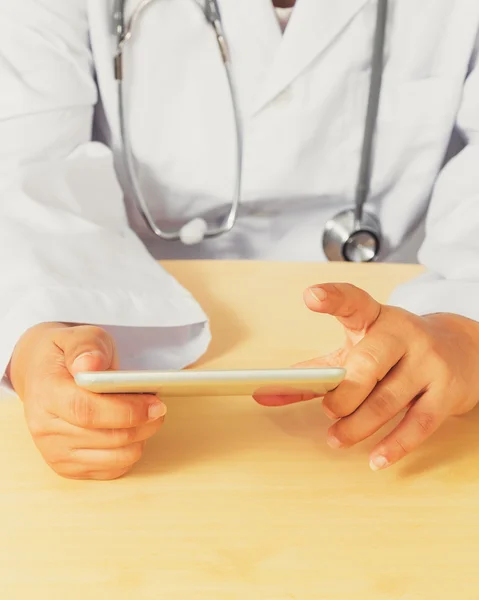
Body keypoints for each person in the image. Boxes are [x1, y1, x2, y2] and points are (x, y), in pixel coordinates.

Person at [2, 0, 479, 480]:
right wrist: (37, 335)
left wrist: (463, 331)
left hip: (403, 347)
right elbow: (21, 173)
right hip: (134, 336)